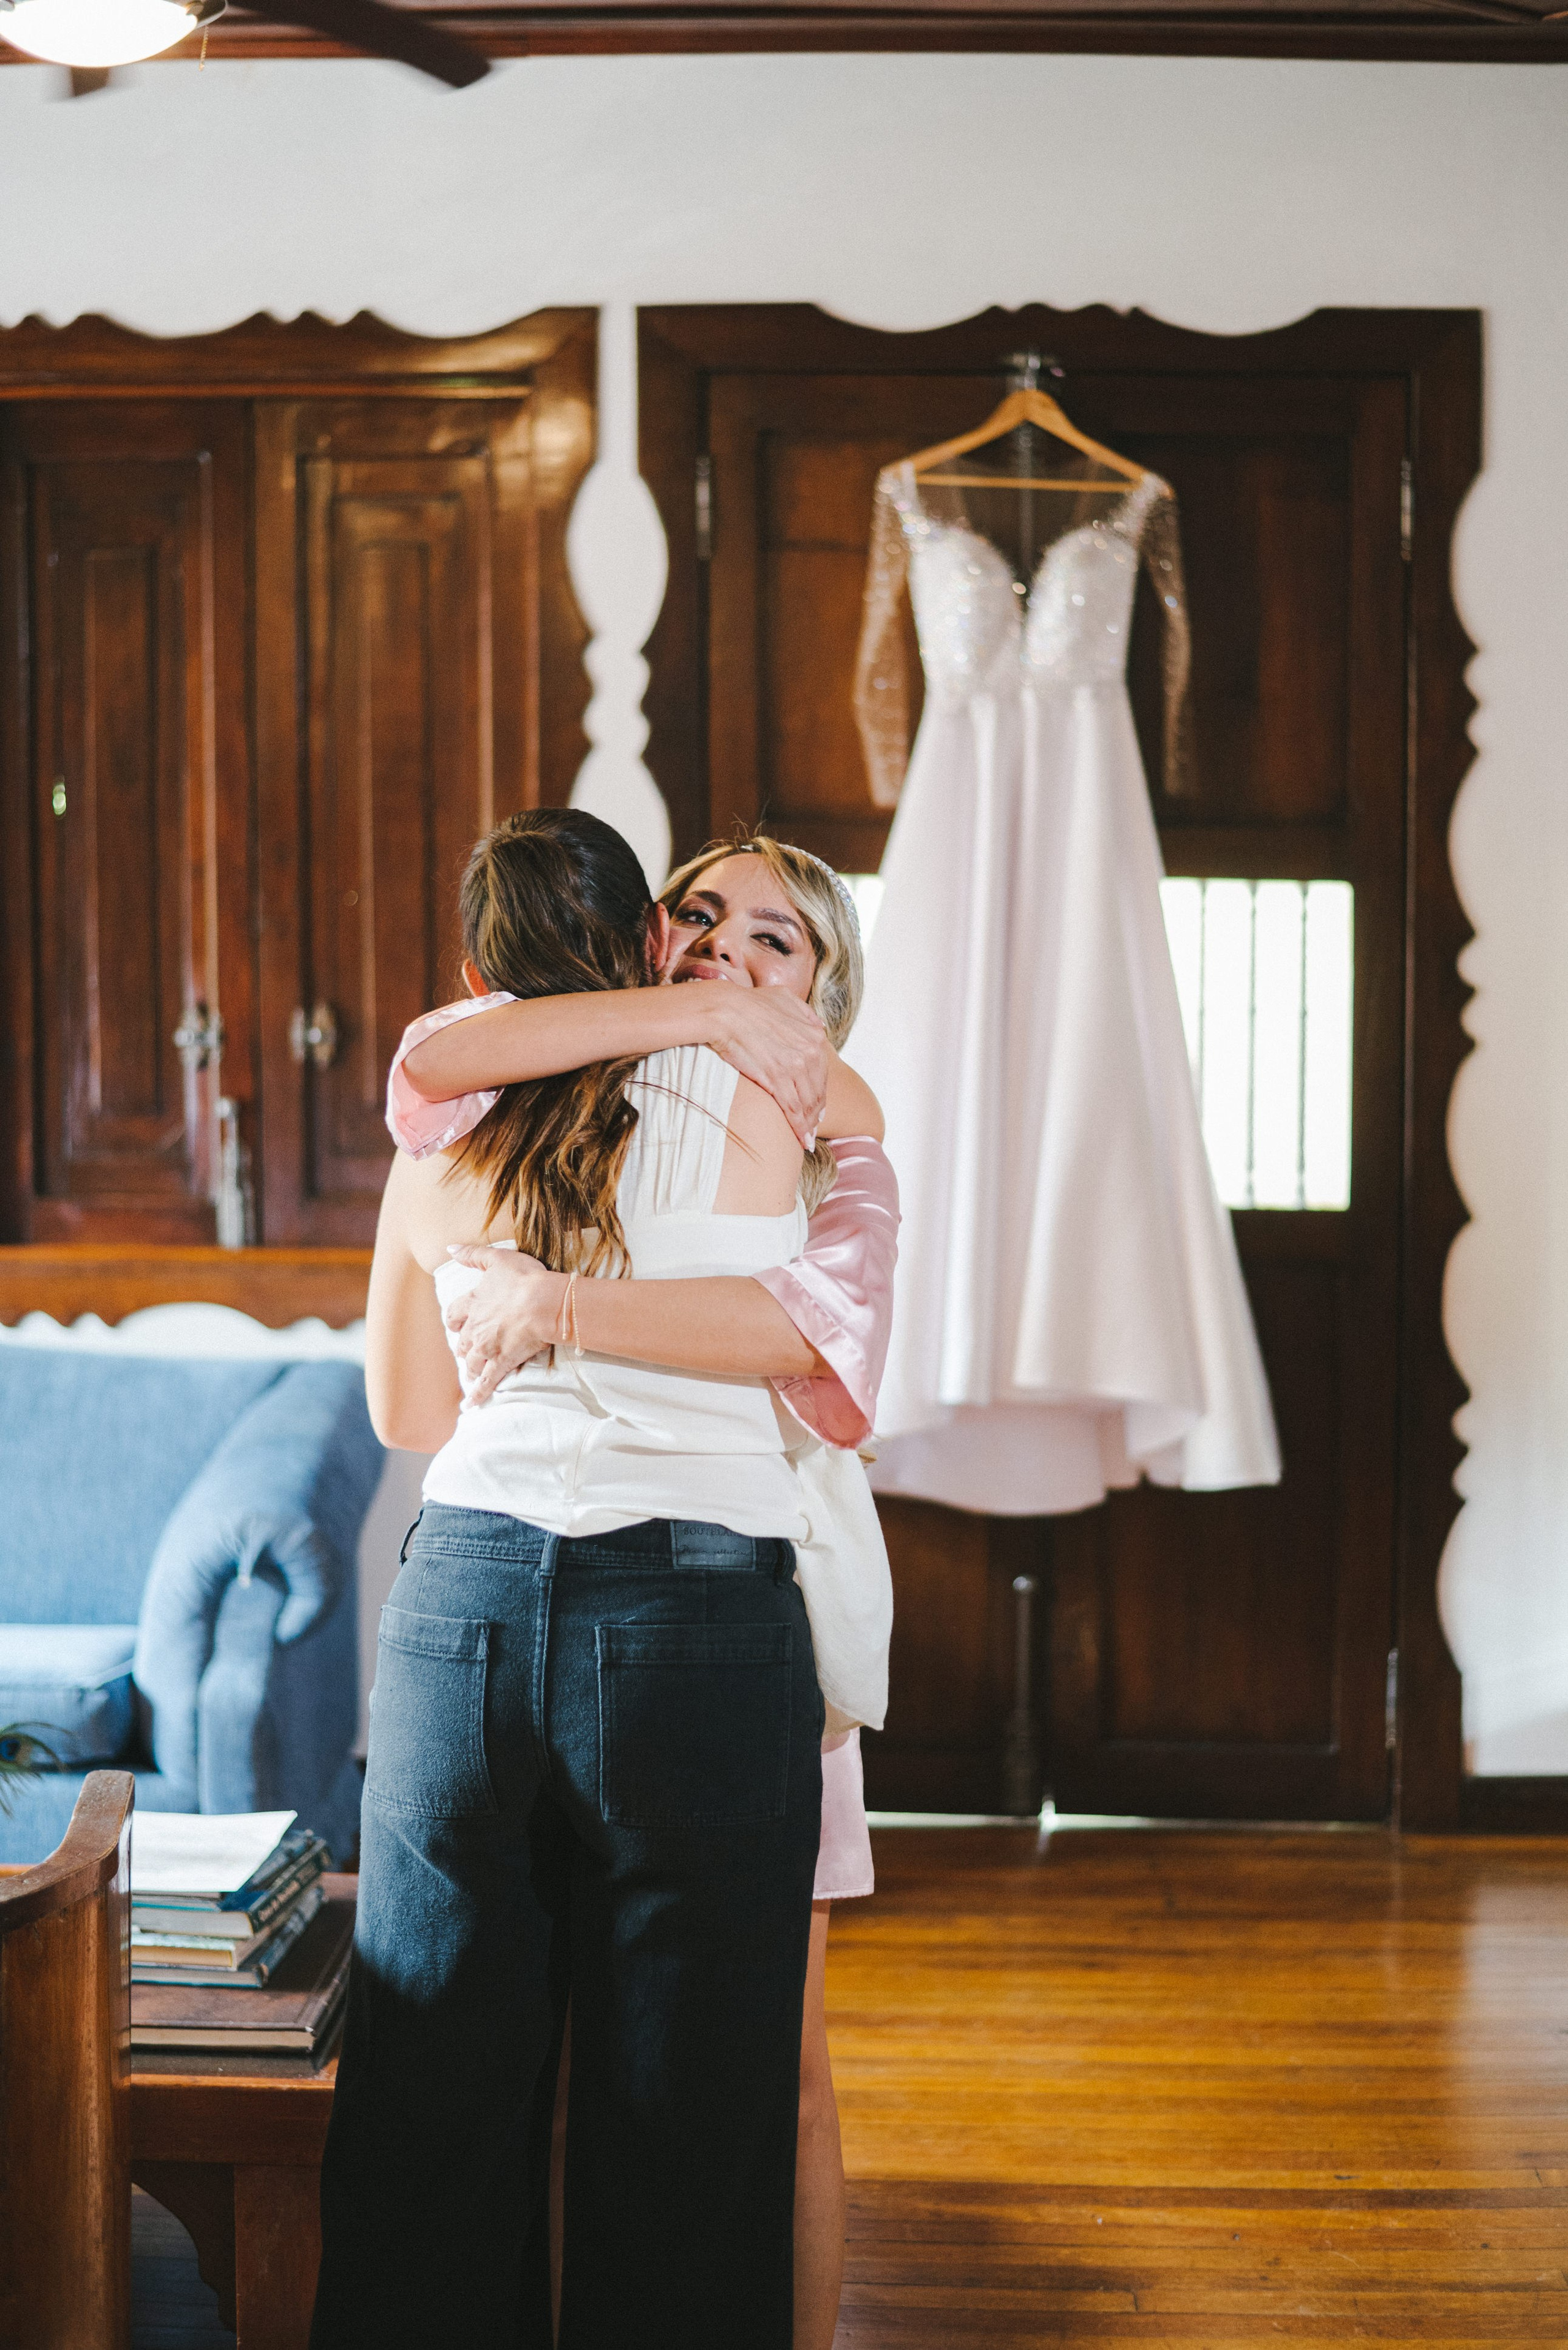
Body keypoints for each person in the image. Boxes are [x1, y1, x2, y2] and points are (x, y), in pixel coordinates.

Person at [312, 812, 887, 2350]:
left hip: (465, 1602)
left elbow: (409, 1411)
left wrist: (546, 1306)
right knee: (689, 2119)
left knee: (429, 2093)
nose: (720, 955)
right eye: (700, 923)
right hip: (694, 1603)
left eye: (766, 937)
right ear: (643, 936)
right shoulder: (794, 1099)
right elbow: (827, 1337)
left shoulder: (449, 1123)